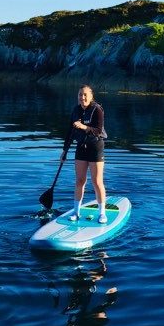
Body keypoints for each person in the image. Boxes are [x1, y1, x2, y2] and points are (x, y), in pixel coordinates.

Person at [64, 84, 108, 224]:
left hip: (95, 146)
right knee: (80, 181)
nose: (82, 97)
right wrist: (64, 151)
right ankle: (76, 212)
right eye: (79, 95)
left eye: (84, 95)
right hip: (81, 147)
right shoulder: (76, 110)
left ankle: (102, 213)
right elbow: (70, 133)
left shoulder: (97, 109)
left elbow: (98, 130)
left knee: (96, 181)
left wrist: (83, 126)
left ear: (91, 96)